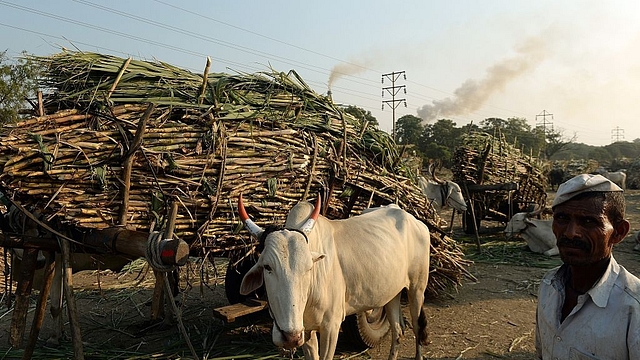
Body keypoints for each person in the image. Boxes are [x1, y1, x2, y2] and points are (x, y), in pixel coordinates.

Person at [535, 173, 640, 359]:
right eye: (562, 218)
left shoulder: (633, 307)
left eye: (589, 221)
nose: (570, 233)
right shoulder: (548, 285)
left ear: (619, 232)